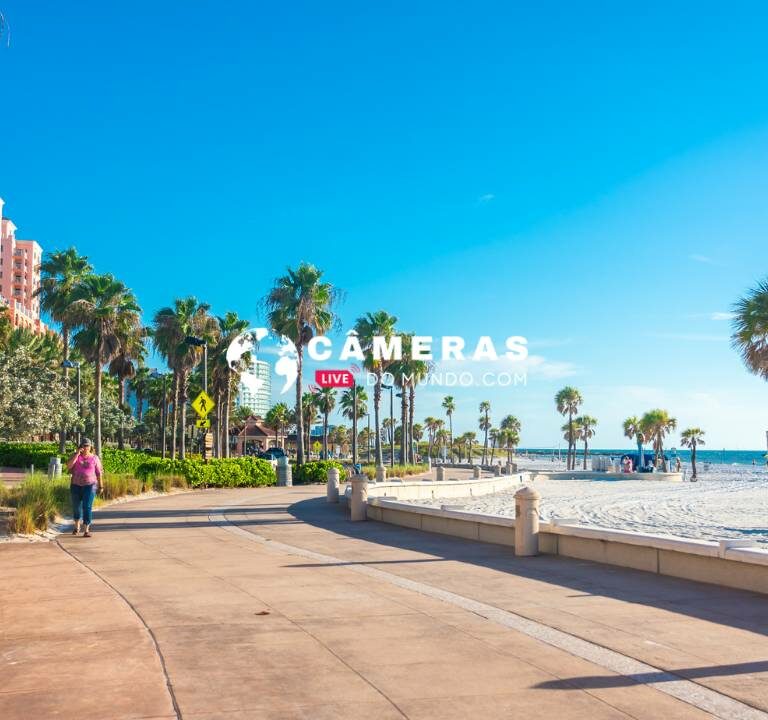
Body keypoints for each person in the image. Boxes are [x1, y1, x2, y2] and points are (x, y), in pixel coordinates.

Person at [66, 438, 103, 537]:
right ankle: (76, 527)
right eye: (84, 446)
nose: (86, 448)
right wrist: (77, 454)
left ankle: (86, 529)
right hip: (75, 485)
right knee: (76, 507)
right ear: (80, 447)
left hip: (90, 485)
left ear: (91, 447)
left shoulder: (95, 458)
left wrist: (101, 485)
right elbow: (68, 466)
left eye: (87, 445)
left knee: (87, 506)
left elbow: (99, 473)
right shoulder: (75, 456)